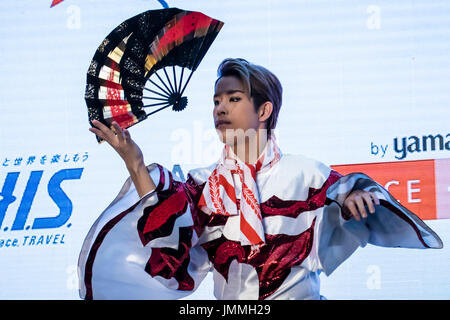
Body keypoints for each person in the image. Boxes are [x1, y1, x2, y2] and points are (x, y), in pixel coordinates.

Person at [78, 58, 443, 300]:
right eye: (216, 100)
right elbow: (169, 226)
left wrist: (350, 200)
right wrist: (136, 164)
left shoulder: (304, 173)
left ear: (264, 110)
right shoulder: (204, 184)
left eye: (234, 98)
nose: (220, 108)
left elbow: (345, 192)